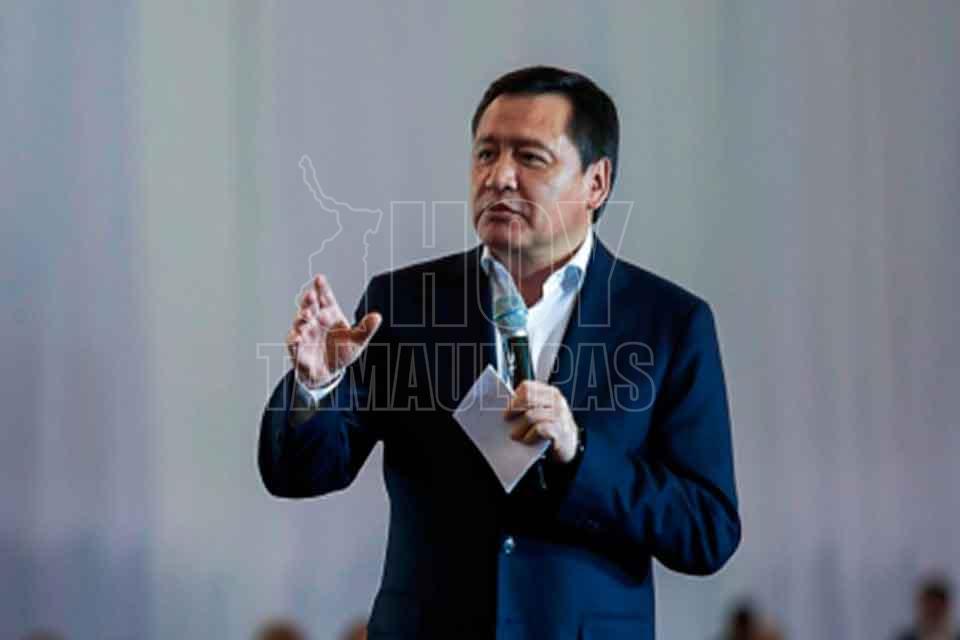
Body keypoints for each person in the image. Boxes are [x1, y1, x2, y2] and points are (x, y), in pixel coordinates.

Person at [259, 66, 740, 639]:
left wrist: (579, 454)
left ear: (596, 182)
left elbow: (706, 530)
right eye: (486, 154)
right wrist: (317, 385)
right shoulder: (403, 303)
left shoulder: (669, 322)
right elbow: (300, 474)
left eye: (530, 158)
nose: (499, 177)